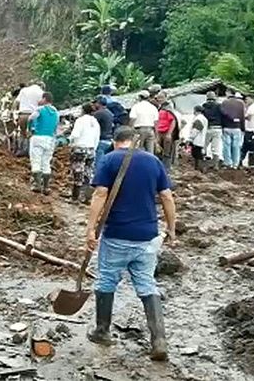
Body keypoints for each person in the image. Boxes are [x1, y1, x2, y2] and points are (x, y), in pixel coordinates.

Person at [85, 126, 176, 362]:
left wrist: (90, 229)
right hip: (147, 236)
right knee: (147, 283)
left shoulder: (109, 160)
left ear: (116, 142)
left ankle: (102, 331)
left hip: (117, 234)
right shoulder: (153, 161)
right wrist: (171, 227)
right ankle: (159, 340)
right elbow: (166, 196)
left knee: (106, 279)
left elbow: (99, 194)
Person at [68, 103, 100, 203]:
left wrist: (71, 143)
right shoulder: (95, 122)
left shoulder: (80, 120)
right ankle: (87, 197)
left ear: (83, 110)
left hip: (80, 148)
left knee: (78, 172)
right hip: (91, 148)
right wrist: (93, 148)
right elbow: (97, 137)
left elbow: (75, 134)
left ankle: (75, 197)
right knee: (88, 173)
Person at [28, 92, 59, 195]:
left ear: (45, 99)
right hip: (50, 139)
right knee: (46, 162)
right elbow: (56, 127)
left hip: (38, 137)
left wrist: (30, 129)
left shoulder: (40, 109)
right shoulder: (55, 112)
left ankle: (37, 185)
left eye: (41, 98)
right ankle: (46, 187)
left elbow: (31, 118)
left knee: (36, 160)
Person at [14, 81, 45, 156]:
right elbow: (42, 106)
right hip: (34, 115)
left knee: (22, 133)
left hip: (23, 115)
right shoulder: (41, 92)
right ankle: (31, 152)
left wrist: (15, 112)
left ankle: (20, 150)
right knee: (33, 134)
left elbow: (16, 102)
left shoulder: (24, 90)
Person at [220, 91, 245, 169]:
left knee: (226, 146)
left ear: (228, 93)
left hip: (227, 126)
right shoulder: (241, 104)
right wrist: (243, 128)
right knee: (236, 146)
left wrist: (222, 125)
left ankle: (228, 162)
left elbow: (222, 114)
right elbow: (242, 116)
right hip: (237, 127)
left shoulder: (224, 103)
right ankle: (235, 164)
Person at [155, 91, 179, 170]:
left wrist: (169, 133)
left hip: (166, 132)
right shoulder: (159, 108)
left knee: (167, 151)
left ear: (166, 98)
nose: (160, 99)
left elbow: (173, 121)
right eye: (158, 97)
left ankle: (166, 168)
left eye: (162, 97)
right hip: (159, 132)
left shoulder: (168, 108)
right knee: (158, 151)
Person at [201, 91, 222, 167]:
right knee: (216, 147)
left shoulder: (204, 106)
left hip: (207, 128)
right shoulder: (219, 106)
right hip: (218, 128)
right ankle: (215, 164)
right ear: (215, 97)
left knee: (204, 145)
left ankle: (202, 162)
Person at [241, 95, 254, 167]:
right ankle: (241, 160)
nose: (246, 100)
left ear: (252, 99)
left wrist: (242, 116)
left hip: (252, 130)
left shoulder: (253, 107)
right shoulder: (253, 106)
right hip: (250, 130)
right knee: (246, 146)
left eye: (247, 99)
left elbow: (249, 117)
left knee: (252, 147)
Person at [92, 100, 114, 164]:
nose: (94, 105)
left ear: (99, 104)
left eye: (95, 103)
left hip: (101, 140)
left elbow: (91, 124)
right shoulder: (109, 113)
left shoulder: (99, 113)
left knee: (98, 162)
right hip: (109, 139)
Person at [187, 105, 208, 171]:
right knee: (199, 155)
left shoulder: (198, 118)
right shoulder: (204, 118)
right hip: (201, 140)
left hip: (197, 140)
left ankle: (198, 169)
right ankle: (199, 169)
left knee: (196, 155)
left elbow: (196, 129)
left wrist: (190, 138)